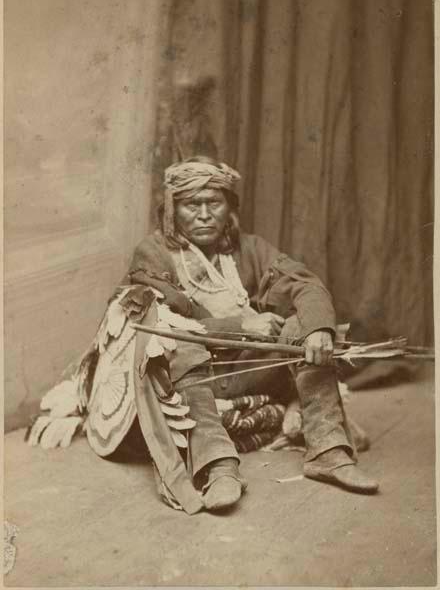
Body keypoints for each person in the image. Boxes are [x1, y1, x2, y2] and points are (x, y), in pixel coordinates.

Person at [121, 155, 379, 511]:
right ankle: (218, 465)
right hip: (194, 377)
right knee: (177, 344)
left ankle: (328, 450)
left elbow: (304, 284)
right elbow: (158, 323)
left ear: (230, 207)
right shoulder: (153, 254)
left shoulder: (250, 249)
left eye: (214, 203)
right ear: (171, 211)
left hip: (249, 372)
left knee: (304, 323)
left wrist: (320, 329)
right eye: (191, 205)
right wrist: (240, 326)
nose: (204, 214)